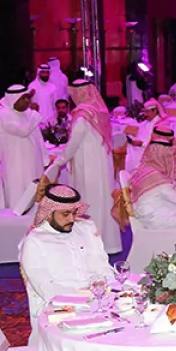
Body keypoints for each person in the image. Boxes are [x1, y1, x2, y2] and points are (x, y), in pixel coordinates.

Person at [19, 184, 115, 323]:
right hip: (59, 309)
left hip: (98, 301)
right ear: (49, 213)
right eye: (65, 214)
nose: (71, 219)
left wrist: (109, 291)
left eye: (74, 213)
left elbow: (103, 267)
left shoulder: (87, 228)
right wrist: (84, 298)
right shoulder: (34, 241)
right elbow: (45, 288)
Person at [55, 80, 123, 254]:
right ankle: (107, 242)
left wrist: (59, 161)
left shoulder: (82, 116)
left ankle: (91, 243)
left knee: (90, 201)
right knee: (102, 200)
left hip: (88, 166)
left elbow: (73, 144)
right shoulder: (99, 111)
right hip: (101, 164)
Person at [0, 86, 47, 209]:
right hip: (15, 165)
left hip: (33, 163)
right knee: (18, 195)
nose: (28, 101)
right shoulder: (4, 115)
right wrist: (34, 113)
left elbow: (38, 138)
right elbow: (23, 131)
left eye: (28, 97)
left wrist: (45, 160)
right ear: (14, 99)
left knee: (35, 195)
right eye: (24, 98)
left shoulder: (27, 113)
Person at [126, 99, 164, 171]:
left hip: (149, 151)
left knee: (128, 155)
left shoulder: (160, 124)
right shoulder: (146, 122)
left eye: (147, 112)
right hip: (139, 147)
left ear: (155, 111)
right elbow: (140, 135)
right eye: (144, 112)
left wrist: (142, 144)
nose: (145, 114)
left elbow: (159, 143)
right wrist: (132, 140)